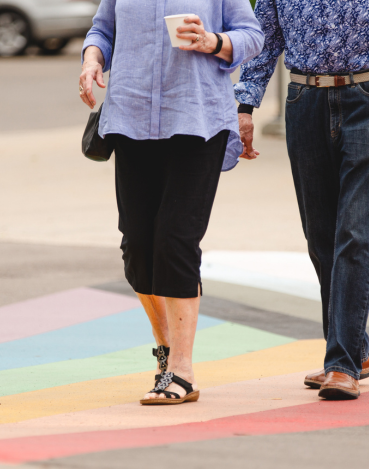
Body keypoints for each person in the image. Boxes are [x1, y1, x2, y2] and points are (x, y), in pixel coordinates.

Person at [235, 0, 369, 400]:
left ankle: (342, 364)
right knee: (321, 237)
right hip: (304, 100)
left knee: (357, 232)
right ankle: (355, 350)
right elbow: (265, 37)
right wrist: (246, 106)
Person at [79, 0, 263, 405]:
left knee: (175, 242)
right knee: (139, 248)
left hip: (197, 122)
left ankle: (182, 371)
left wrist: (213, 41)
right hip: (130, 120)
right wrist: (93, 60)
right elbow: (102, 32)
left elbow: (253, 37)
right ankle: (164, 351)